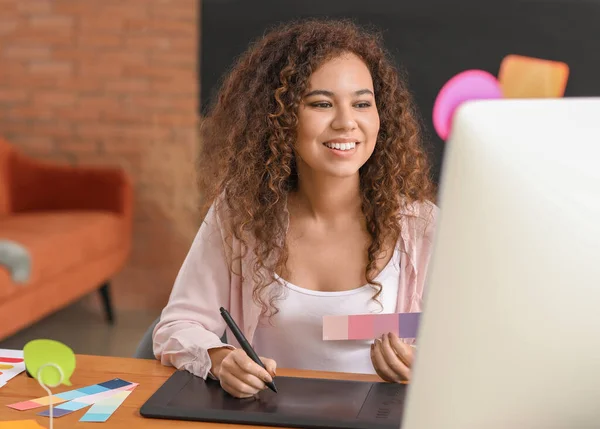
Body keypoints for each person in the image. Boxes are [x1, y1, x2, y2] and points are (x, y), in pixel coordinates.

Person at [153, 18, 438, 399]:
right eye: (321, 103)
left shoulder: (420, 228)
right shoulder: (241, 217)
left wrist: (427, 363)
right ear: (280, 117)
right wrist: (220, 358)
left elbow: (468, 338)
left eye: (362, 103)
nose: (346, 122)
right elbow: (177, 325)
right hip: (269, 417)